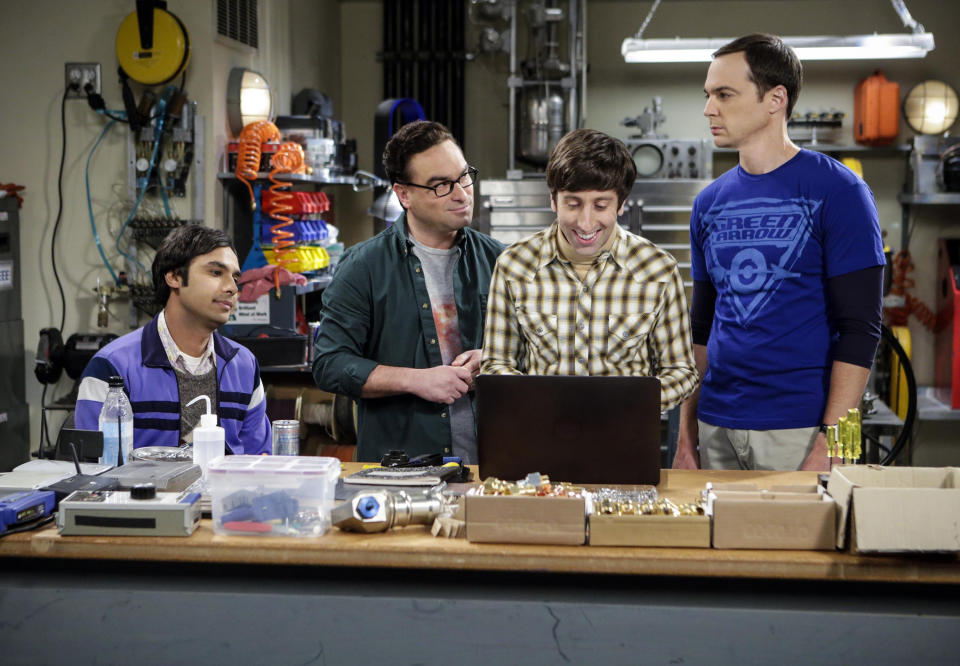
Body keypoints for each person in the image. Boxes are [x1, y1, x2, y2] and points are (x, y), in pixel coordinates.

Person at [674, 34, 885, 472]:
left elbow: (861, 330)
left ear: (775, 99)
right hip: (717, 426)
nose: (709, 108)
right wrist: (684, 435)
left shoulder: (840, 191)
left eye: (724, 94)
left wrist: (836, 444)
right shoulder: (708, 203)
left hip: (801, 432)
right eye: (708, 95)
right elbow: (701, 327)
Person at [313, 120, 504, 463]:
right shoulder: (363, 267)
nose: (461, 193)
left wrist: (491, 359)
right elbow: (330, 363)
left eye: (463, 176)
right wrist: (416, 381)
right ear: (404, 195)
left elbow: (538, 353)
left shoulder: (501, 261)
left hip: (490, 468)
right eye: (441, 185)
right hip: (402, 469)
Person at [481, 128, 699, 413]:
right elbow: (496, 364)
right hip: (541, 436)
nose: (585, 222)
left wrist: (625, 404)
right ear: (553, 200)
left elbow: (681, 370)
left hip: (626, 436)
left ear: (621, 204)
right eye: (572, 204)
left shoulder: (658, 269)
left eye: (600, 205)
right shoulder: (514, 265)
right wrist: (539, 402)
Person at [76, 225, 272, 454]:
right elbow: (94, 470)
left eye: (235, 277)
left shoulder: (243, 366)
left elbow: (258, 459)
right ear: (174, 276)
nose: (232, 288)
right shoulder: (112, 367)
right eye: (216, 273)